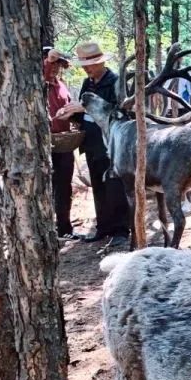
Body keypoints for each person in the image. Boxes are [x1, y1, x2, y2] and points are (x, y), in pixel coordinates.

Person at [55, 41, 130, 247]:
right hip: (92, 142)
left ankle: (121, 229)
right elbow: (82, 112)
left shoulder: (115, 83)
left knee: (114, 185)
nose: (87, 68)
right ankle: (103, 227)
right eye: (85, 65)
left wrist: (84, 108)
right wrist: (70, 115)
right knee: (98, 184)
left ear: (101, 63)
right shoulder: (88, 84)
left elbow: (121, 113)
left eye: (91, 64)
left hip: (113, 143)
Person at [44, 48, 81, 240]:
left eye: (58, 65)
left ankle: (64, 228)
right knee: (44, 187)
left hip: (63, 144)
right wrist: (50, 58)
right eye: (53, 64)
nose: (55, 68)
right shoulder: (38, 83)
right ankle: (46, 229)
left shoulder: (61, 86)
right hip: (43, 146)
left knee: (64, 186)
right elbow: (45, 67)